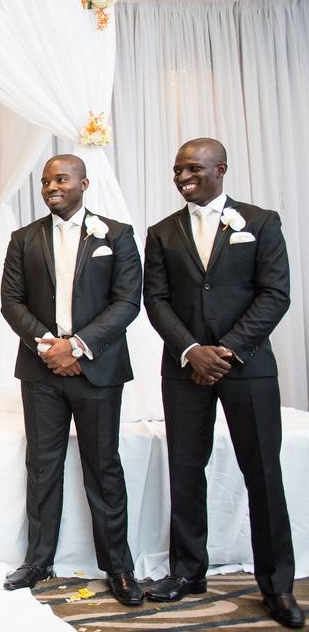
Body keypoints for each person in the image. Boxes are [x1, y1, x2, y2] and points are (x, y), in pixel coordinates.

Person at [143, 138, 303, 628]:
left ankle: (276, 586)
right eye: (177, 170)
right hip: (185, 368)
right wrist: (192, 350)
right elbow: (157, 299)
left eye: (193, 168)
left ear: (221, 169)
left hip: (247, 368)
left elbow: (275, 294)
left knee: (263, 474)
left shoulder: (260, 222)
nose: (183, 177)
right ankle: (188, 572)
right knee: (186, 472)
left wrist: (227, 350)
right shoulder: (162, 232)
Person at [0, 154, 144, 606]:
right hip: (42, 369)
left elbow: (127, 301)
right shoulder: (24, 238)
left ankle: (119, 567)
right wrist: (49, 345)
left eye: (60, 179)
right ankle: (38, 560)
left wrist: (77, 346)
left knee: (104, 467)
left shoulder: (116, 235)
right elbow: (11, 301)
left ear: (85, 182)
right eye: (45, 181)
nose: (51, 187)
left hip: (97, 369)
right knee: (42, 467)